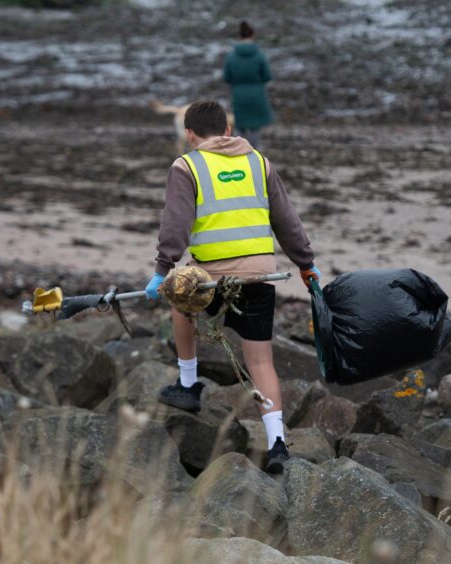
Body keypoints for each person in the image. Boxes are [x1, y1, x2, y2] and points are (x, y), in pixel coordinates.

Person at [144, 100, 320, 474]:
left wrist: (162, 271)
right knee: (260, 361)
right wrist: (306, 264)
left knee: (180, 302)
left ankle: (189, 386)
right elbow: (287, 220)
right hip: (260, 276)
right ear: (227, 129)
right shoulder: (259, 162)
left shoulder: (186, 165)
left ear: (189, 134)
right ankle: (277, 444)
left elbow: (175, 224)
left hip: (209, 278)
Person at [223, 21, 274, 149]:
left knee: (240, 126)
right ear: (252, 35)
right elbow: (267, 76)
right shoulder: (259, 55)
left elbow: (227, 77)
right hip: (257, 94)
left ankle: (239, 152)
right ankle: (253, 153)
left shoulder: (232, 56)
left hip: (239, 94)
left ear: (239, 36)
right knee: (255, 126)